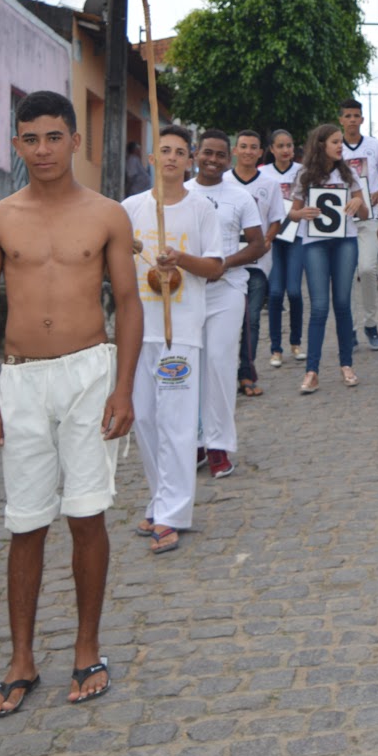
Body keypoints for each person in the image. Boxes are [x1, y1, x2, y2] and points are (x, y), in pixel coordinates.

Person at [0, 90, 143, 714]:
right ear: (17, 144)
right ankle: (21, 660)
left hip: (89, 373)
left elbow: (128, 303)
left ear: (74, 141)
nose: (42, 150)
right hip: (21, 380)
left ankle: (86, 649)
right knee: (26, 521)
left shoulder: (106, 215)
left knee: (87, 514)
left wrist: (124, 386)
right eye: (30, 139)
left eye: (53, 137)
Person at [121, 125, 223, 552]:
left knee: (176, 423)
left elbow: (215, 267)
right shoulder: (129, 209)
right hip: (137, 328)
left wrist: (181, 259)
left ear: (189, 160)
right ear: (151, 157)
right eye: (164, 150)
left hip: (179, 330)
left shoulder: (202, 209)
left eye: (180, 152)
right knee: (145, 420)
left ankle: (172, 514)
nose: (171, 158)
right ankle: (159, 499)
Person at [187, 131, 268, 479]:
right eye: (208, 153)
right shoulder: (181, 193)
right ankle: (195, 442)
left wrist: (224, 264)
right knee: (189, 367)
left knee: (219, 364)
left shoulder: (240, 197)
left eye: (221, 155)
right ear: (196, 154)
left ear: (229, 158)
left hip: (228, 289)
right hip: (186, 292)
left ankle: (218, 444)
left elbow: (258, 244)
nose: (213, 160)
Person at [288, 123, 366, 393]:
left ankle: (347, 365)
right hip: (314, 243)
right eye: (335, 141)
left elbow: (364, 213)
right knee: (319, 307)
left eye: (341, 141)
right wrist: (303, 213)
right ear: (321, 144)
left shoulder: (348, 172)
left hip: (345, 241)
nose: (340, 146)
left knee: (343, 304)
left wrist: (358, 203)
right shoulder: (304, 174)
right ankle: (312, 371)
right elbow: (292, 213)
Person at [230, 130, 286, 398]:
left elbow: (277, 218)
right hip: (226, 262)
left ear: (261, 152)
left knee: (251, 319)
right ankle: (224, 371)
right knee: (228, 320)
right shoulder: (223, 181)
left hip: (257, 263)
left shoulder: (270, 184)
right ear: (235, 150)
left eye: (253, 147)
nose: (248, 151)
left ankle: (247, 372)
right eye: (243, 146)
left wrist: (267, 239)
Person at [339, 99, 378, 352]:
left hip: (370, 216)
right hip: (342, 221)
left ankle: (371, 324)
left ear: (361, 119)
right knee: (346, 276)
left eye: (356, 115)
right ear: (341, 120)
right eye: (347, 115)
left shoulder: (374, 145)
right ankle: (348, 328)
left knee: (368, 269)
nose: (352, 119)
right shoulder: (335, 147)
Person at [261, 130, 304, 367]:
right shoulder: (263, 173)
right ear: (272, 149)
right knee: (276, 293)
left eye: (289, 145)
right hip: (273, 237)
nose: (285, 150)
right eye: (280, 146)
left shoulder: (302, 171)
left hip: (297, 236)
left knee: (295, 292)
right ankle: (275, 349)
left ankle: (296, 342)